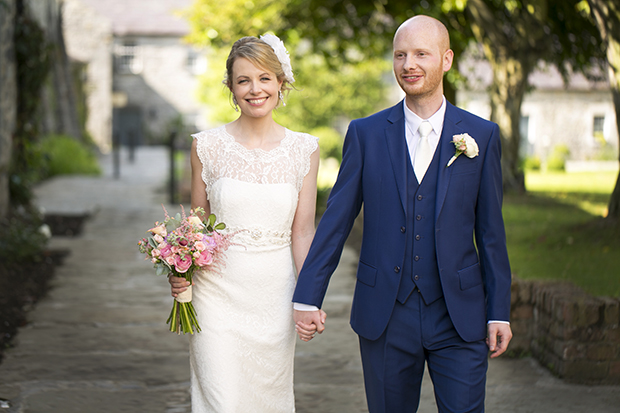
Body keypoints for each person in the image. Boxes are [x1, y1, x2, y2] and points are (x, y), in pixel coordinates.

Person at [292, 15, 513, 413]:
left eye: (421, 54)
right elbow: (336, 222)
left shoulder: (481, 135)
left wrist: (499, 312)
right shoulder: (366, 134)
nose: (409, 64)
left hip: (460, 316)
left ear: (446, 60)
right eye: (400, 55)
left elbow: (491, 234)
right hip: (385, 317)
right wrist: (308, 296)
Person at [168, 34, 324, 412]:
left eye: (264, 78)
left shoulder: (305, 149)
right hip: (215, 294)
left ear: (281, 82)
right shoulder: (206, 146)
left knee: (266, 399)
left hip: (274, 294)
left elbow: (302, 231)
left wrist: (309, 297)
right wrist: (179, 268)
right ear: (231, 88)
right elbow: (197, 222)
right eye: (243, 80)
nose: (255, 89)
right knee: (221, 399)